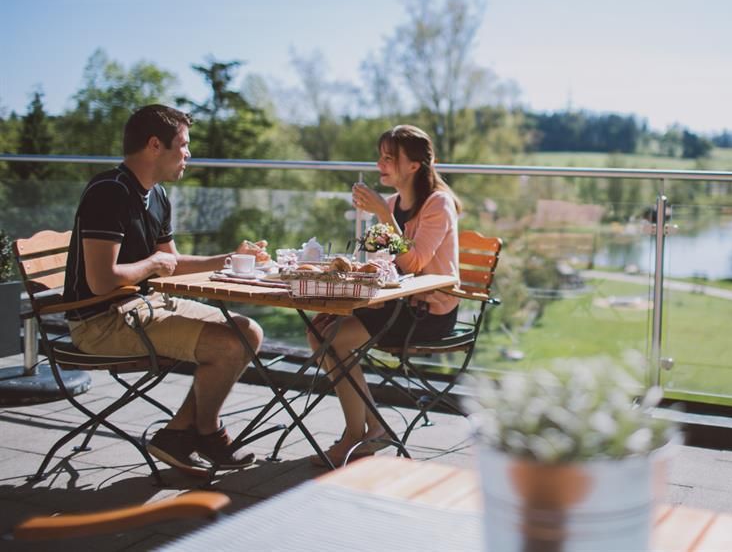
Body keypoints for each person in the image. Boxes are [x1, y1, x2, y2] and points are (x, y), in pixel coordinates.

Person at [63, 104, 265, 475]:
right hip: (100, 321)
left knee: (248, 331)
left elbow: (171, 262)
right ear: (155, 145)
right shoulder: (108, 192)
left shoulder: (157, 195)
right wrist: (153, 264)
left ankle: (179, 433)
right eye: (183, 145)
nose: (188, 153)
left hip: (145, 304)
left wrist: (229, 258)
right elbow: (101, 280)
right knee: (227, 344)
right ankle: (207, 432)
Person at [309, 124, 461, 466]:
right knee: (318, 331)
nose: (380, 164)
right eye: (380, 156)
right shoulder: (393, 203)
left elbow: (414, 262)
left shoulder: (438, 204)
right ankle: (374, 427)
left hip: (429, 311)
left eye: (389, 158)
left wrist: (382, 214)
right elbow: (382, 264)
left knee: (334, 339)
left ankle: (355, 435)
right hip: (396, 303)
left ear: (414, 165)